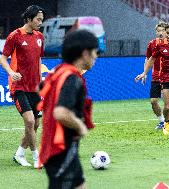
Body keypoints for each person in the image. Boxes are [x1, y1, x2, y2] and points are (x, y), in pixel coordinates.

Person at [38, 30, 98, 189]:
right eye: (94, 52)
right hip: (61, 149)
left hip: (60, 147)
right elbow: (61, 112)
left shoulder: (59, 71)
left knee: (80, 185)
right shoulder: (72, 78)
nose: (96, 56)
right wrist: (80, 126)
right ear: (85, 53)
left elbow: (41, 89)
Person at [0, 5, 45, 168]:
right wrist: (11, 72)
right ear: (29, 19)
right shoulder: (15, 36)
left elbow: (38, 60)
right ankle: (36, 158)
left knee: (36, 124)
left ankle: (19, 154)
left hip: (34, 87)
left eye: (42, 19)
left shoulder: (40, 36)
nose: (41, 22)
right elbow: (3, 58)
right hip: (18, 86)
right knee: (30, 121)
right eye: (38, 19)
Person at [142, 22, 167, 130]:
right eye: (158, 31)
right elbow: (147, 59)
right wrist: (144, 73)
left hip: (168, 76)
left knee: (168, 103)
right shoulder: (152, 44)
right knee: (153, 101)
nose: (160, 33)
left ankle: (168, 123)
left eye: (162, 30)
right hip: (156, 76)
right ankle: (161, 121)